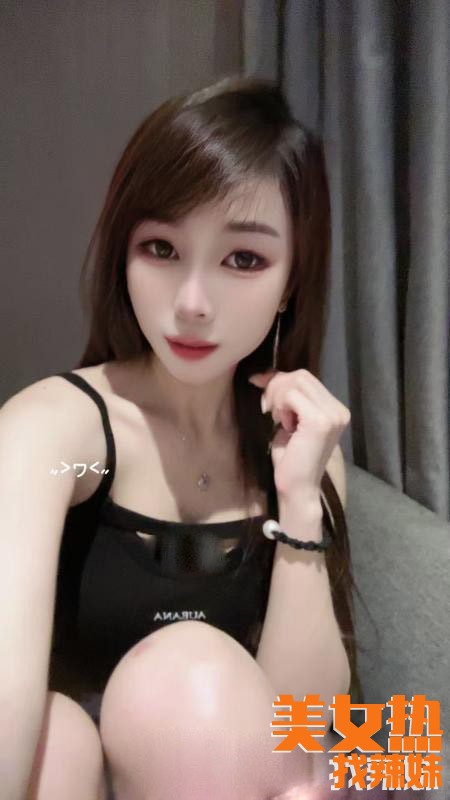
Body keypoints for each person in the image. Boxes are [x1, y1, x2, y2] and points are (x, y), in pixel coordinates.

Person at [1, 75, 363, 800]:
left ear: (292, 283)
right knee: (63, 736)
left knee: (196, 687)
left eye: (243, 259)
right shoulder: (52, 430)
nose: (192, 304)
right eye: (161, 248)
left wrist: (299, 500)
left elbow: (301, 735)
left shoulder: (300, 444)